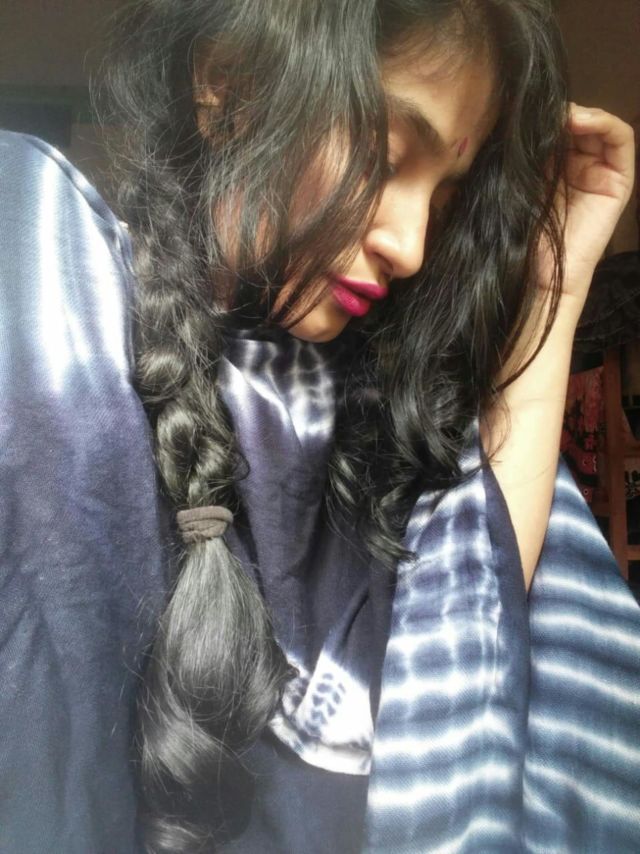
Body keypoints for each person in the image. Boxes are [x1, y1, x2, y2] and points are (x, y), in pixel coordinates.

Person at [0, 1, 637, 852]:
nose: (413, 244)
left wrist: (555, 291)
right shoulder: (38, 272)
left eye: (446, 196)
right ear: (230, 86)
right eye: (386, 157)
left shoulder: (378, 415)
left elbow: (466, 639)